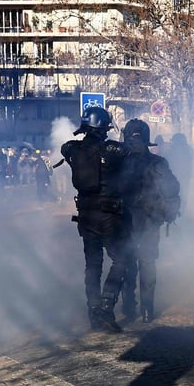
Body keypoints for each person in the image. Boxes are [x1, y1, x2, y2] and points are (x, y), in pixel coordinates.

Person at [60, 106, 130, 333]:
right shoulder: (112, 149)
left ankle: (93, 311)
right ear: (103, 127)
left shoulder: (72, 148)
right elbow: (127, 154)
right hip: (109, 215)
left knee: (93, 265)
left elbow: (65, 148)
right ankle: (106, 309)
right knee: (120, 260)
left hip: (85, 215)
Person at [118, 118, 181, 323]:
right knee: (148, 263)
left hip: (125, 220)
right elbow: (172, 189)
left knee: (127, 262)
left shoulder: (118, 162)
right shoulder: (158, 162)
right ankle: (147, 310)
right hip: (149, 220)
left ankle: (128, 307)